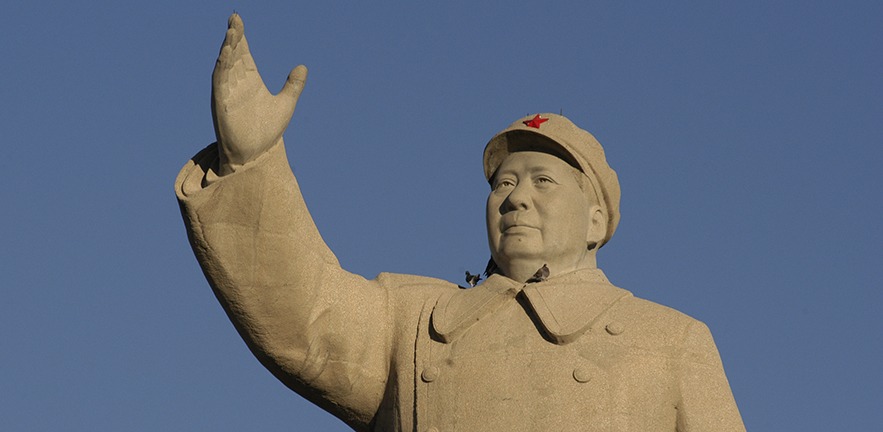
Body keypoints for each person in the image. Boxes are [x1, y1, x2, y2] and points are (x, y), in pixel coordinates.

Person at [176, 14, 745, 432]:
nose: (516, 198)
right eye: (504, 183)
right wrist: (250, 161)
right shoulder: (413, 324)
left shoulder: (672, 341)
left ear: (596, 219)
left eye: (544, 181)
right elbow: (302, 313)